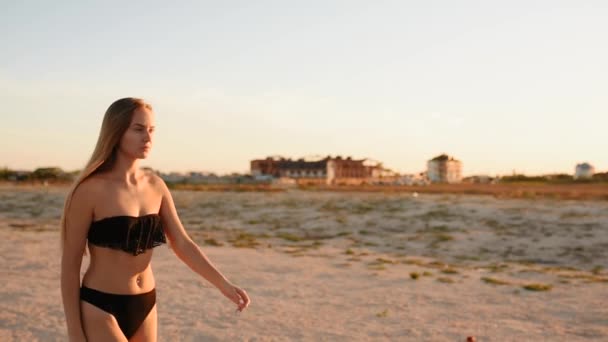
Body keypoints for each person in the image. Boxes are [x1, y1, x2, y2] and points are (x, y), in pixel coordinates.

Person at [60, 97, 250, 341]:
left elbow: (182, 243)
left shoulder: (156, 185)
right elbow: (70, 263)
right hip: (100, 305)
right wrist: (74, 331)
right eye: (138, 129)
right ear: (116, 132)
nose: (148, 138)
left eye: (151, 130)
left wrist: (224, 285)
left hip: (146, 303)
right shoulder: (89, 190)